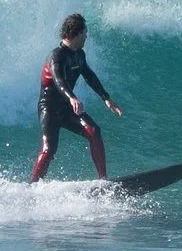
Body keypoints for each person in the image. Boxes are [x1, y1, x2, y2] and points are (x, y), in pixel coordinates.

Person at [30, 12, 123, 181]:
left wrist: (106, 98)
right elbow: (59, 80)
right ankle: (33, 185)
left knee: (94, 131)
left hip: (67, 108)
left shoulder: (79, 54)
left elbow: (89, 75)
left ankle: (103, 179)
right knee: (49, 149)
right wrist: (72, 97)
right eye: (85, 33)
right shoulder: (56, 56)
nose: (86, 36)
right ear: (77, 34)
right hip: (49, 109)